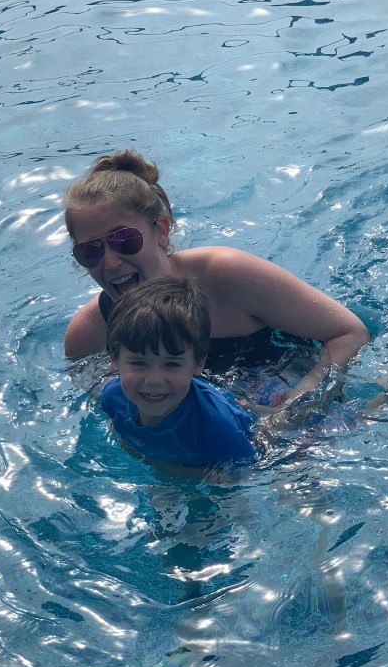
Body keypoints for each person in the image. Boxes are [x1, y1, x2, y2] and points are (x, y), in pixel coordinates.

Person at [63, 149, 371, 414]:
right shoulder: (88, 337)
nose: (110, 262)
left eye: (124, 240)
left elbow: (349, 333)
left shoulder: (226, 276)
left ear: (162, 231)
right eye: (90, 250)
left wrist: (290, 410)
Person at [101, 275, 256, 465]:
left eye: (171, 364)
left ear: (198, 364)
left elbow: (245, 475)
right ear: (114, 360)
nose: (154, 380)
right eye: (139, 363)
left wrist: (168, 469)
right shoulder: (112, 398)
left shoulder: (218, 428)